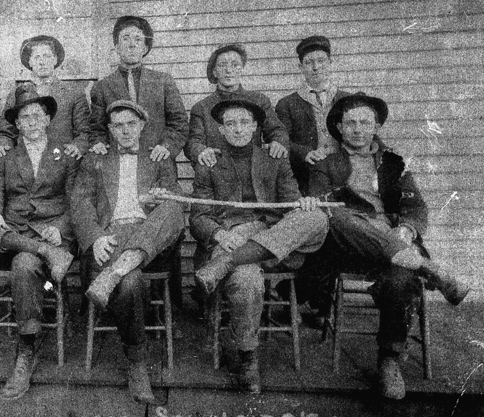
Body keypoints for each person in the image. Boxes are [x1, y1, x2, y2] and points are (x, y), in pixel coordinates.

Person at [305, 92, 469, 400]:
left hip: (395, 246)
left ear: (377, 125)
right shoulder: (324, 164)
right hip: (349, 247)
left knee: (402, 278)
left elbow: (417, 207)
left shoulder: (394, 163)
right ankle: (429, 268)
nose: (357, 128)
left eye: (365, 122)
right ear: (339, 127)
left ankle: (389, 360)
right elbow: (321, 208)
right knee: (335, 214)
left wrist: (406, 229)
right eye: (350, 122)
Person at [189, 99, 328, 394]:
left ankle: (228, 262)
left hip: (273, 241)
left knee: (316, 218)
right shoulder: (209, 163)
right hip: (231, 239)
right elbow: (198, 217)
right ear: (221, 129)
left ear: (255, 127)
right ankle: (248, 357)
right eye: (230, 124)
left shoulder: (274, 158)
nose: (238, 129)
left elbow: (291, 204)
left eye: (244, 123)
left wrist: (303, 202)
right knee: (247, 278)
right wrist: (218, 236)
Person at [0, 89, 78, 400]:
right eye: (24, 117)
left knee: (24, 265)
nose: (31, 122)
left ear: (48, 120)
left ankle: (27, 349)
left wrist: (60, 231)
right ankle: (46, 253)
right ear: (17, 125)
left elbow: (78, 202)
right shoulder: (5, 158)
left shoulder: (66, 155)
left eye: (37, 115)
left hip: (52, 237)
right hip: (11, 237)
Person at [71, 100, 185, 405]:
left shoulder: (159, 158)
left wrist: (156, 199)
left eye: (131, 124)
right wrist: (94, 238)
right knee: (131, 283)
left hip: (149, 239)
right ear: (109, 129)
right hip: (109, 238)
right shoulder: (95, 160)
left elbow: (171, 207)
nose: (125, 130)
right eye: (118, 125)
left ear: (143, 126)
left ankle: (117, 270)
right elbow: (80, 203)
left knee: (174, 206)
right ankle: (137, 365)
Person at [89, 15, 188, 162]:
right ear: (116, 47)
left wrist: (166, 146)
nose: (132, 45)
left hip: (156, 161)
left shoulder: (163, 81)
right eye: (126, 38)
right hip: (118, 164)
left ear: (145, 48)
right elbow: (97, 129)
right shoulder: (102, 87)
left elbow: (179, 123)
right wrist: (99, 143)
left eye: (138, 39)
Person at [185, 44, 289, 167]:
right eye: (222, 65)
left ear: (242, 69)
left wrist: (277, 142)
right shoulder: (202, 107)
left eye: (235, 65)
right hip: (217, 171)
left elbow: (276, 130)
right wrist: (200, 151)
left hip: (253, 171)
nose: (229, 70)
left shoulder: (259, 101)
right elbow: (193, 142)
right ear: (215, 72)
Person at [0, 35, 90, 160]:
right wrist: (3, 146)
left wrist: (78, 146)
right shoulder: (17, 93)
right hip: (27, 161)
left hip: (63, 159)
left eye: (47, 56)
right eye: (37, 57)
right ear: (30, 62)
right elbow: (4, 132)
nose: (42, 62)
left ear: (55, 60)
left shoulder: (74, 93)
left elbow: (84, 131)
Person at [276, 35, 351, 195]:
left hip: (347, 173)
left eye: (321, 61)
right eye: (309, 62)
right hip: (308, 176)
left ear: (330, 63)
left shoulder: (347, 100)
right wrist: (305, 153)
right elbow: (281, 141)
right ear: (300, 67)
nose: (315, 67)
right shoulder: (287, 104)